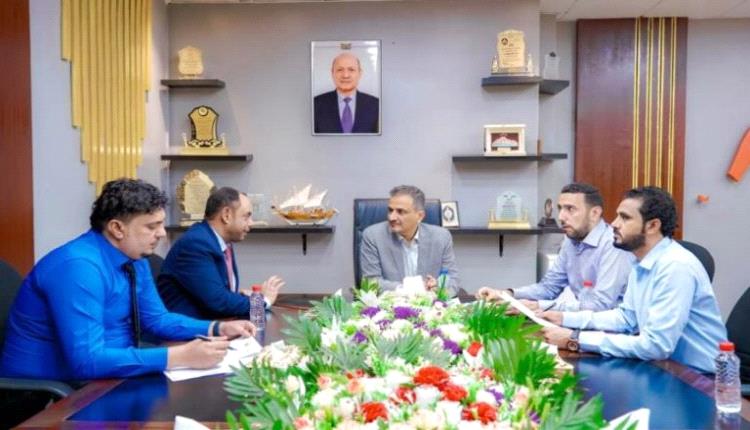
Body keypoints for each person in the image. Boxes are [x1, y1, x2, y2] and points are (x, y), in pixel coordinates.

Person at [0, 179, 255, 381]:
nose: (161, 234)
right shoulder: (78, 268)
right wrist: (179, 356)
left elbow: (157, 320)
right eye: (151, 226)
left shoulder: (135, 257)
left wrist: (217, 328)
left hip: (106, 377)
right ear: (117, 228)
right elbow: (86, 362)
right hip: (49, 397)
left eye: (161, 224)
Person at [541, 186, 726, 373]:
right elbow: (626, 318)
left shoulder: (676, 267)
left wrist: (575, 339)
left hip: (698, 379)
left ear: (652, 226)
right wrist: (564, 318)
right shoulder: (641, 261)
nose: (614, 224)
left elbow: (656, 345)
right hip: (663, 367)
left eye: (625, 218)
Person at [477, 183, 632, 312]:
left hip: (614, 331)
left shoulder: (613, 244)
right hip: (583, 323)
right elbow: (549, 288)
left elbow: (601, 305)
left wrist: (539, 306)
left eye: (570, 209)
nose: (561, 217)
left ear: (595, 213)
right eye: (560, 208)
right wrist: (507, 295)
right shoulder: (570, 241)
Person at [157, 187, 285, 320]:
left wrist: (240, 296)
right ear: (226, 215)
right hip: (190, 330)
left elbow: (217, 292)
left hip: (215, 324)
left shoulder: (220, 241)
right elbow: (218, 302)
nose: (251, 223)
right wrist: (263, 301)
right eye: (246, 216)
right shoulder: (196, 244)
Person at [360, 185, 460, 296]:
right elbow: (371, 283)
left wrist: (439, 287)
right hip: (390, 305)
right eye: (390, 210)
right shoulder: (373, 236)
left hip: (430, 304)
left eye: (400, 212)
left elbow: (453, 281)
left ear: (420, 216)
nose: (392, 217)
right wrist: (412, 288)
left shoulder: (441, 237)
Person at [314, 51, 379, 134]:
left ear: (360, 73)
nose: (345, 75)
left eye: (351, 69)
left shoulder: (376, 105)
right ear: (332, 73)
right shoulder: (316, 104)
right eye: (340, 70)